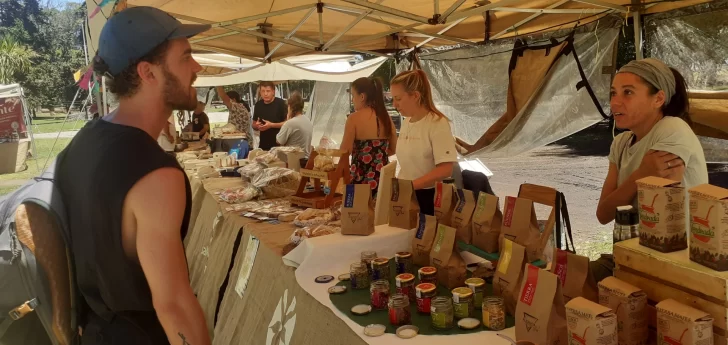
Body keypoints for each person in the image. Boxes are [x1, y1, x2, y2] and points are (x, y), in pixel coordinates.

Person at [54, 7, 211, 345]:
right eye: (186, 57)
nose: (197, 68)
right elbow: (174, 307)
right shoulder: (155, 174)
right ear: (148, 72)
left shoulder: (83, 142)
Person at [592, 58, 708, 282]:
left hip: (676, 266)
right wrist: (641, 175)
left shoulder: (672, 129)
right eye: (613, 93)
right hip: (633, 260)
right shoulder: (621, 143)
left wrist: (630, 185)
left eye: (628, 93)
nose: (615, 103)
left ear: (658, 98)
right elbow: (603, 213)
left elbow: (661, 217)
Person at [391, 70, 458, 216]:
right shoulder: (407, 122)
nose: (394, 104)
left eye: (398, 98)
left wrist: (411, 186)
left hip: (429, 199)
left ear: (415, 96)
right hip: (407, 196)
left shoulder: (437, 123)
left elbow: (446, 169)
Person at [341, 77, 397, 195]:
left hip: (360, 179)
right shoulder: (386, 117)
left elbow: (344, 152)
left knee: (359, 213)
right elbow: (393, 149)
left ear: (362, 97)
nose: (352, 100)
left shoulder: (353, 119)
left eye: (353, 96)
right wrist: (377, 156)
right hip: (382, 179)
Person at [276, 91, 313, 157]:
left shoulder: (290, 123)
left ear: (290, 106)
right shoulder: (308, 121)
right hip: (306, 159)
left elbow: (279, 141)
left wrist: (287, 120)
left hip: (293, 161)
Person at [252, 81, 287, 150]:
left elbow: (288, 123)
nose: (265, 94)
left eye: (268, 91)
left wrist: (271, 125)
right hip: (263, 145)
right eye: (263, 91)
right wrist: (257, 125)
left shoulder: (281, 103)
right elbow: (253, 124)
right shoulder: (258, 105)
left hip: (279, 146)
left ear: (273, 92)